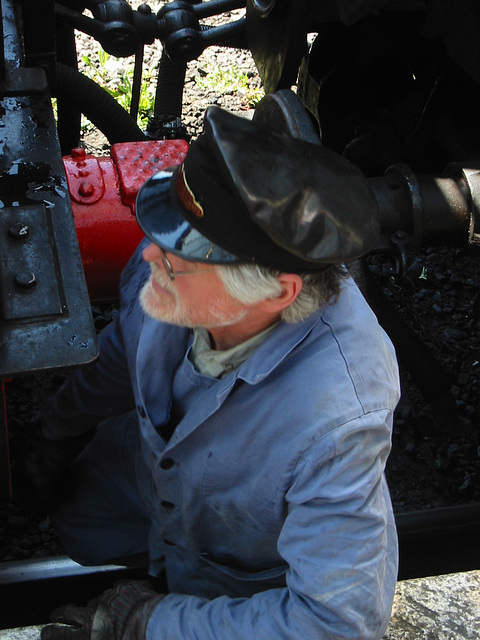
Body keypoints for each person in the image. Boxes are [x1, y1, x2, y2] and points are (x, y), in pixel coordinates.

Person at [24, 106, 400, 640]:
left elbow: (336, 624)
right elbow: (122, 351)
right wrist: (57, 430)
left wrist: (147, 622)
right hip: (143, 495)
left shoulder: (337, 422)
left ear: (275, 293)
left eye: (182, 260)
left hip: (233, 579)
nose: (150, 254)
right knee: (86, 528)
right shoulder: (173, 264)